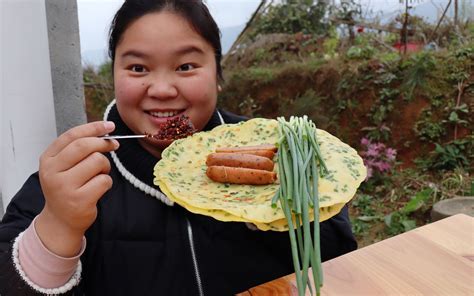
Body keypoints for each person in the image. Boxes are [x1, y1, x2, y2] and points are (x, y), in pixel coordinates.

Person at [0, 0, 357, 295]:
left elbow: (338, 257)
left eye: (186, 66)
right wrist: (58, 226)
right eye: (138, 67)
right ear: (114, 74)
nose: (162, 89)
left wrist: (274, 214)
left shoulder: (273, 151)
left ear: (217, 71)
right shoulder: (74, 179)